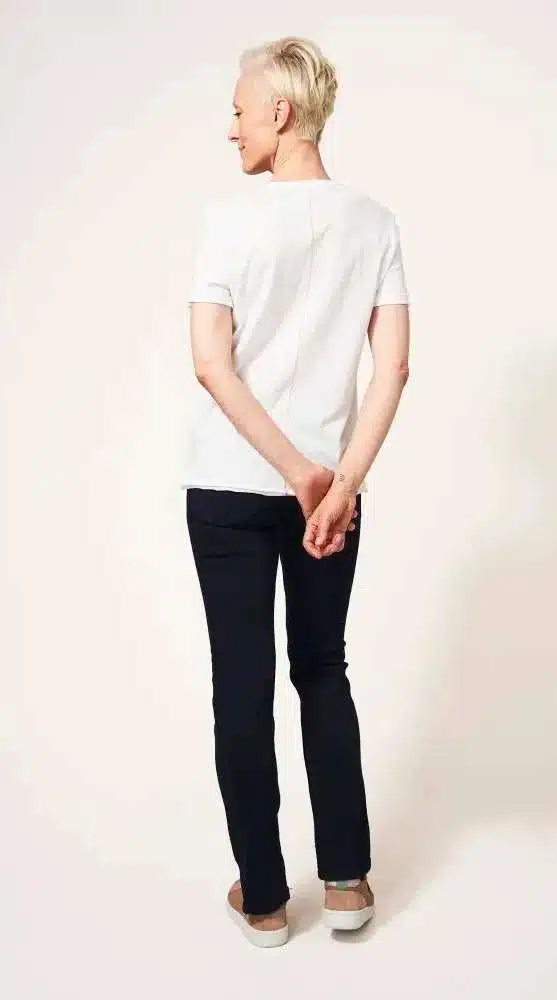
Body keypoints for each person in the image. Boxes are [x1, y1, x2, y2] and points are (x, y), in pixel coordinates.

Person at [183, 35, 410, 947]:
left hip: (232, 489)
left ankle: (268, 901)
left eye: (239, 111)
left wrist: (296, 473)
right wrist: (337, 481)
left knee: (241, 686)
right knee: (322, 669)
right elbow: (393, 369)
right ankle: (348, 882)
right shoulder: (376, 223)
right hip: (330, 499)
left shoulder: (227, 221)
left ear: (279, 113)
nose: (230, 127)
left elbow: (211, 364)